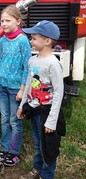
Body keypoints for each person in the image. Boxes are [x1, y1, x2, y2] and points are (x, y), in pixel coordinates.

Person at [17, 20, 65, 179]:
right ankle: (37, 169)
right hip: (35, 111)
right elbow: (30, 84)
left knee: (48, 148)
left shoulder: (53, 64)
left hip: (47, 113)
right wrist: (23, 105)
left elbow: (58, 93)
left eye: (34, 38)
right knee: (38, 144)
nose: (31, 41)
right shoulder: (32, 60)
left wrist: (52, 121)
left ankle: (47, 174)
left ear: (47, 41)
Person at [0, 4, 32, 166]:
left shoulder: (23, 40)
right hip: (2, 86)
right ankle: (5, 149)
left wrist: (23, 89)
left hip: (16, 88)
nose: (3, 24)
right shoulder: (2, 40)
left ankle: (14, 152)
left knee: (14, 120)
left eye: (7, 20)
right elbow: (0, 61)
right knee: (4, 119)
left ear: (18, 21)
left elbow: (27, 66)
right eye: (2, 21)